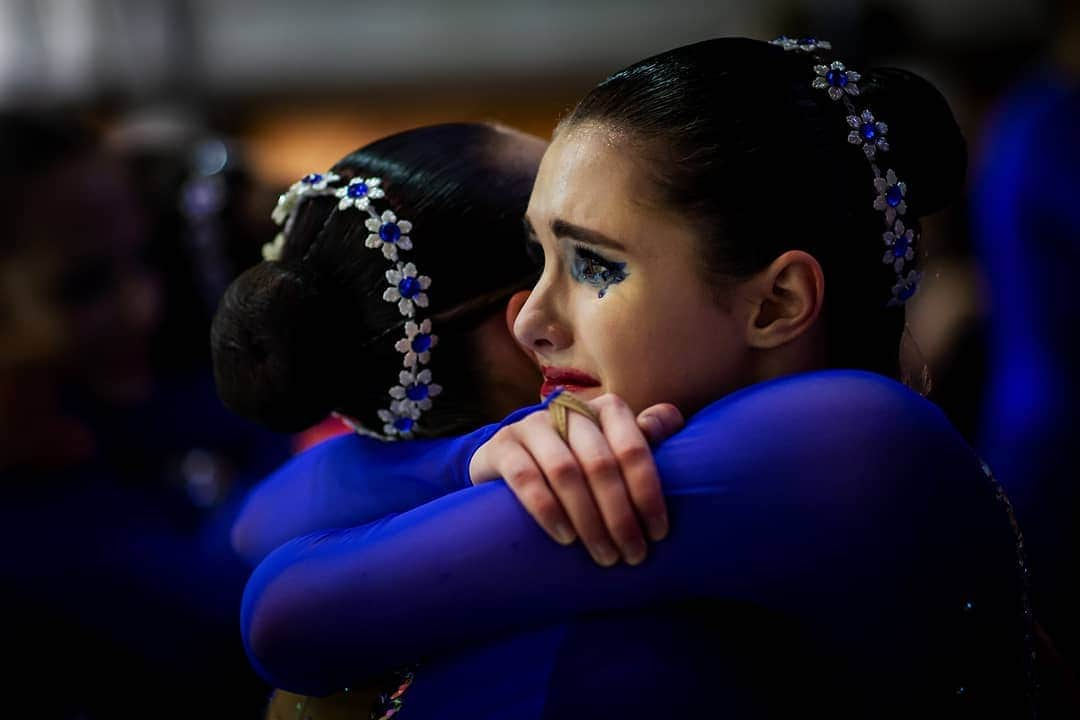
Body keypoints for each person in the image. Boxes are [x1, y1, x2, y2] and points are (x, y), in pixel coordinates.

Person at [236, 38, 1033, 718]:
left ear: (777, 303)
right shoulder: (721, 435)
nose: (529, 320)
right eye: (536, 256)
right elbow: (260, 527)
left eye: (594, 264)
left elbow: (288, 617)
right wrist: (478, 455)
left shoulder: (847, 435)